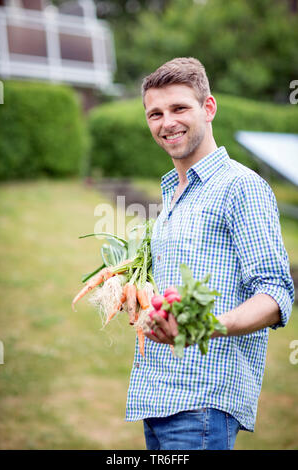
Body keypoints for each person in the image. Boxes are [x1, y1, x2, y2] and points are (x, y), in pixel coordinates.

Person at [125, 57, 295, 450]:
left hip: (203, 403)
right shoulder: (173, 195)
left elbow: (276, 293)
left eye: (179, 108)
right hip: (157, 398)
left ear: (209, 108)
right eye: (155, 113)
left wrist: (209, 326)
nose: (166, 122)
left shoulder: (241, 187)